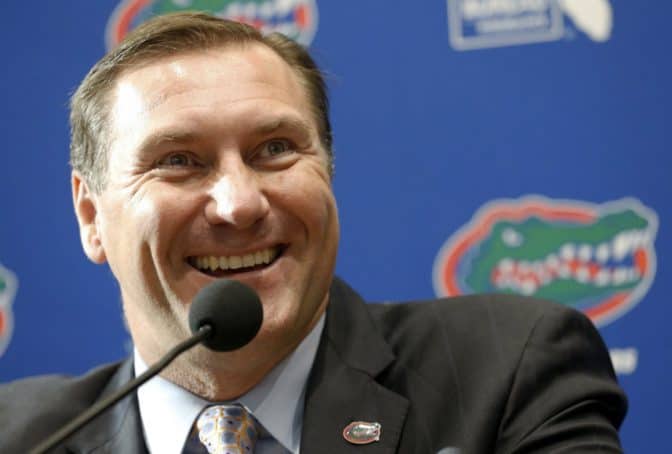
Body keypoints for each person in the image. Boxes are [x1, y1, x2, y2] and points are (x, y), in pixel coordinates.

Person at [0, 12, 626, 454]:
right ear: (90, 217)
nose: (238, 205)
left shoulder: (510, 369)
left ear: (328, 169)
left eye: (274, 148)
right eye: (179, 161)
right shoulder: (19, 437)